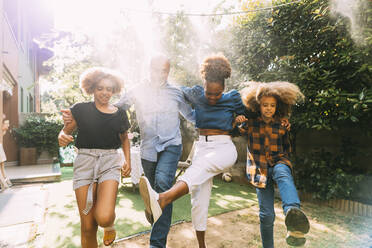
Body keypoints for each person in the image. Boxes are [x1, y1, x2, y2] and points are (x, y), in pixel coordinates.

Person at [62, 55, 195, 248]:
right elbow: (114, 107)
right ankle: (152, 209)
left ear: (169, 71)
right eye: (156, 69)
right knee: (153, 199)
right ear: (149, 69)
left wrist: (220, 123)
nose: (160, 74)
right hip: (148, 149)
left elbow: (191, 115)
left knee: (163, 185)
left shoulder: (176, 92)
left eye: (164, 70)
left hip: (171, 145)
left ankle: (156, 244)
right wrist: (80, 116)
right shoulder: (137, 90)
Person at [138, 54, 248, 248]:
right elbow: (172, 91)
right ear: (203, 85)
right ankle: (202, 246)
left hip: (224, 148)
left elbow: (249, 120)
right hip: (202, 147)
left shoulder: (233, 98)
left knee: (197, 169)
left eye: (218, 93)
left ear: (224, 87)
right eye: (209, 93)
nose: (213, 98)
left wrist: (241, 124)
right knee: (198, 201)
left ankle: (163, 198)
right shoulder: (196, 93)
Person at [58, 67, 131, 248]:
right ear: (91, 88)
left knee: (104, 217)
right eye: (100, 88)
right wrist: (62, 136)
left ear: (114, 90)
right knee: (88, 227)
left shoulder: (120, 113)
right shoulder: (80, 109)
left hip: (110, 162)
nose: (105, 92)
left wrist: (127, 161)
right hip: (85, 162)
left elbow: (124, 139)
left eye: (109, 88)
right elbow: (65, 131)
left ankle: (109, 226)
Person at [235, 81, 309, 247]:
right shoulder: (250, 124)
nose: (268, 108)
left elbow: (287, 149)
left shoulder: (282, 125)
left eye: (272, 105)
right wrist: (238, 121)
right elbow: (235, 129)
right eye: (265, 105)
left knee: (283, 173)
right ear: (258, 106)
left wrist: (286, 128)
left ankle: (292, 212)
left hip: (278, 162)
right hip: (259, 170)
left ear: (278, 107)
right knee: (266, 216)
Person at [0, 115, 10, 191]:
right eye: (7, 123)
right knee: (1, 167)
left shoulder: (3, 132)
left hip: (0, 147)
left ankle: (5, 184)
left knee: (2, 167)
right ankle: (4, 184)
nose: (8, 125)